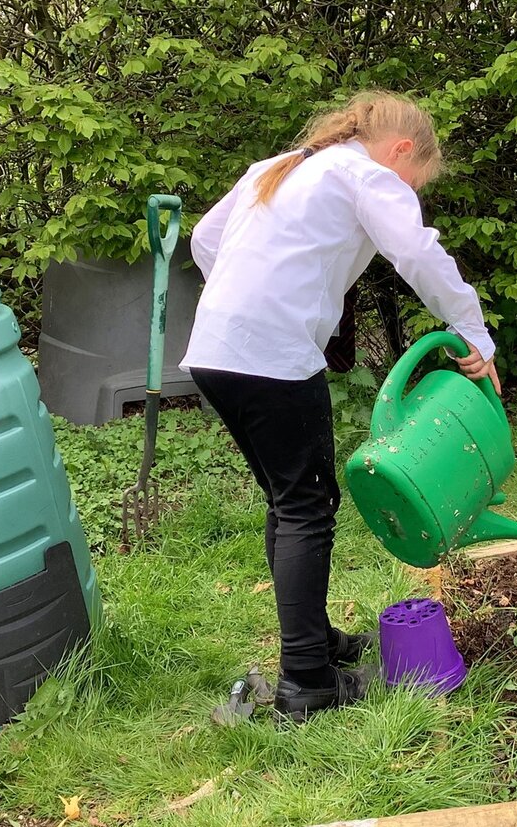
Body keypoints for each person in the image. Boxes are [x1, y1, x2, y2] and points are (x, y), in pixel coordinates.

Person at [181, 90, 499, 721]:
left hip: (216, 350)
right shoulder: (364, 174)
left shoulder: (285, 165)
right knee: (306, 507)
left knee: (288, 499)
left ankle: (315, 645)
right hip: (269, 356)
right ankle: (307, 683)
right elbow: (416, 252)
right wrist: (472, 327)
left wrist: (254, 295)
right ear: (401, 150)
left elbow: (203, 239)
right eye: (415, 179)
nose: (410, 190)